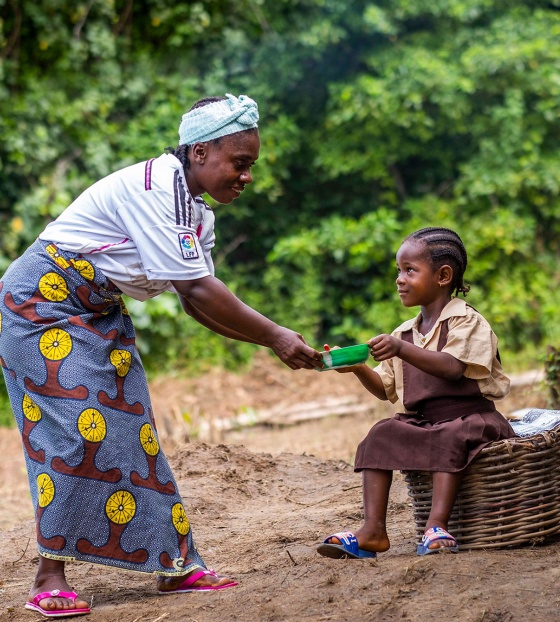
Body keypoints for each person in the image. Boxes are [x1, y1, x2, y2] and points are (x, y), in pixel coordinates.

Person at [0, 93, 323, 617]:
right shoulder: (154, 188)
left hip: (98, 310)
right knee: (73, 432)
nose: (246, 176)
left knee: (134, 430)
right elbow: (197, 291)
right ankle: (48, 578)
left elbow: (198, 302)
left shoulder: (196, 215)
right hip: (39, 307)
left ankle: (174, 564)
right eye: (239, 163)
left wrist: (276, 344)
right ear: (199, 152)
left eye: (251, 167)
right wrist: (276, 335)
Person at [317, 227, 516, 560]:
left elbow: (452, 367)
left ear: (443, 275)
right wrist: (357, 368)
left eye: (410, 270)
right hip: (425, 421)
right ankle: (373, 531)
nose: (399, 279)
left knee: (448, 435)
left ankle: (435, 527)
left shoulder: (467, 321)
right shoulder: (404, 332)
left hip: (470, 418)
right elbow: (385, 389)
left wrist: (399, 349)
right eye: (398, 270)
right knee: (381, 433)